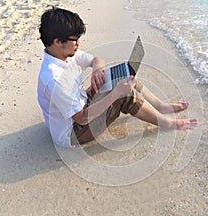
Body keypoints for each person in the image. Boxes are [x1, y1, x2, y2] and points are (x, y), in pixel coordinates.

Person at [37, 7, 197, 148]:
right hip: (73, 132)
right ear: (57, 42)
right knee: (125, 95)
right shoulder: (54, 78)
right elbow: (82, 119)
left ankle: (162, 107)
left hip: (82, 102)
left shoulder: (64, 54)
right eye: (75, 40)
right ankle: (168, 123)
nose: (78, 44)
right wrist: (115, 94)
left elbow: (95, 60)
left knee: (125, 78)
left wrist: (97, 69)